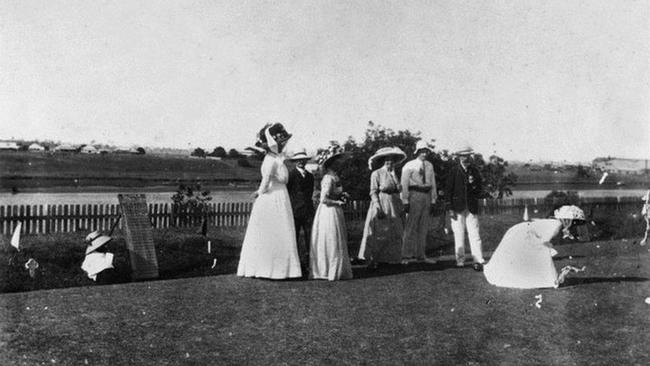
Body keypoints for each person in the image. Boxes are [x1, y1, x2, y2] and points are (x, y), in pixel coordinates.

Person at [237, 123, 302, 279]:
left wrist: (261, 190)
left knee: (279, 229)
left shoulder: (275, 158)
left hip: (279, 194)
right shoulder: (271, 160)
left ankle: (279, 268)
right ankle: (267, 267)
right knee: (272, 229)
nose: (282, 144)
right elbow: (266, 180)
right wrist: (259, 192)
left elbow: (279, 178)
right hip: (273, 195)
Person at [483, 205, 587, 288]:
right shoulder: (556, 225)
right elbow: (542, 245)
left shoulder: (555, 224)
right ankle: (547, 279)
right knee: (540, 254)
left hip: (522, 233)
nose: (573, 225)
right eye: (573, 222)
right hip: (522, 234)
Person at [357, 147, 406, 268]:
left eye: (391, 161)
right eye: (387, 161)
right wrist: (377, 206)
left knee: (395, 229)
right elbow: (373, 191)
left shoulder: (394, 174)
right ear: (383, 161)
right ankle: (375, 259)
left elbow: (400, 189)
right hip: (382, 201)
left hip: (394, 202)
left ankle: (391, 258)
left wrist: (394, 176)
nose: (389, 163)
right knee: (380, 230)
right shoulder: (377, 173)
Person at [309, 145, 353, 280]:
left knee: (337, 238)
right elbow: (323, 199)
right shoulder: (328, 178)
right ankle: (327, 269)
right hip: (328, 212)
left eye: (339, 162)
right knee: (331, 238)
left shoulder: (335, 176)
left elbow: (335, 192)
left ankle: (336, 269)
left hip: (335, 211)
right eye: (336, 162)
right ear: (330, 164)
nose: (339, 164)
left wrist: (343, 195)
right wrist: (337, 202)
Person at [445, 146, 486, 270]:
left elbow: (479, 189)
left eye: (467, 156)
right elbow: (448, 191)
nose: (465, 158)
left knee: (475, 233)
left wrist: (473, 184)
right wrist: (450, 208)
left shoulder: (474, 170)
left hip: (471, 207)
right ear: (459, 157)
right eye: (463, 156)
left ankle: (478, 258)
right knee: (459, 234)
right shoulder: (454, 171)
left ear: (470, 157)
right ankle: (460, 259)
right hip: (457, 207)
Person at [400, 140, 438, 264]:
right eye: (422, 151)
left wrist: (433, 200)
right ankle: (406, 256)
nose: (424, 154)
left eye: (426, 151)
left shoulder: (430, 165)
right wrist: (405, 200)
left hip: (426, 196)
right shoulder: (409, 165)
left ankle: (421, 255)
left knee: (423, 226)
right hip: (414, 195)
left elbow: (433, 183)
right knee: (411, 226)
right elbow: (404, 184)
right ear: (417, 152)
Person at [286, 150, 315, 275]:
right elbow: (287, 193)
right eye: (299, 160)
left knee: (310, 237)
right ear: (295, 162)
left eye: (303, 160)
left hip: (308, 210)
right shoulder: (291, 175)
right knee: (295, 238)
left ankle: (310, 264)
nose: (301, 162)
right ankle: (297, 266)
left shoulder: (310, 176)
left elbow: (310, 193)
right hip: (295, 211)